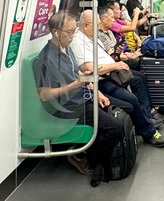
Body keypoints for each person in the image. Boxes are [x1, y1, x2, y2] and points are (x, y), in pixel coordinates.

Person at [33, 10, 124, 185]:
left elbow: (79, 73)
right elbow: (44, 95)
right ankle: (94, 163)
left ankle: (93, 156)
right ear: (55, 32)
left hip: (83, 97)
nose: (73, 36)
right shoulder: (44, 59)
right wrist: (75, 85)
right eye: (69, 32)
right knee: (115, 127)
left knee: (125, 107)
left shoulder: (67, 49)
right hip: (67, 107)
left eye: (74, 31)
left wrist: (96, 91)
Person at [70, 9, 164, 147]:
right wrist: (115, 66)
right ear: (86, 25)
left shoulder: (93, 38)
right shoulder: (78, 43)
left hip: (112, 74)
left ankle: (146, 118)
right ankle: (149, 132)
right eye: (96, 25)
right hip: (102, 80)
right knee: (131, 99)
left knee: (139, 81)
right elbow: (89, 69)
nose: (99, 28)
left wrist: (117, 58)